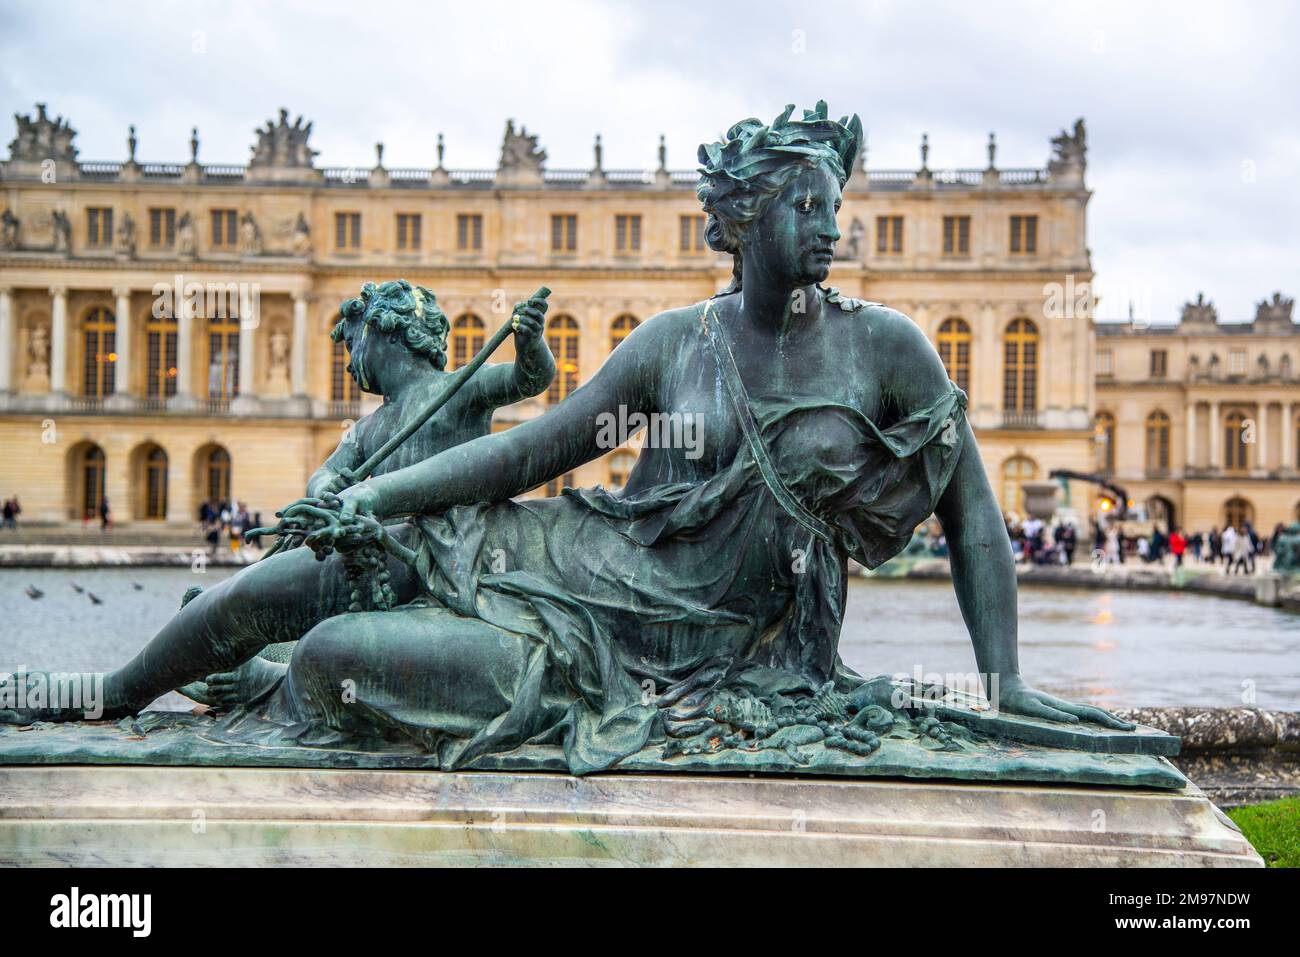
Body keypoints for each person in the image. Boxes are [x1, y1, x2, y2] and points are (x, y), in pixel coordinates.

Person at [3, 103, 1130, 770]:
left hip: (674, 651)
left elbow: (973, 514)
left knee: (333, 655)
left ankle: (253, 684)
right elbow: (522, 455)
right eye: (806, 201)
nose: (834, 223)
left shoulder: (886, 348)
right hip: (576, 562)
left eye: (840, 201)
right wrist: (378, 502)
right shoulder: (669, 343)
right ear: (741, 220)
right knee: (305, 575)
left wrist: (1002, 683)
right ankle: (100, 695)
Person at [182, 277, 555, 708]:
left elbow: (529, 380)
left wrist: (531, 343)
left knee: (326, 620)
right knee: (279, 580)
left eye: (353, 344)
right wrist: (327, 491)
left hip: (435, 561)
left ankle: (266, 677)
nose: (348, 363)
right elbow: (323, 475)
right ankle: (222, 636)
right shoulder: (367, 429)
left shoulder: (459, 389)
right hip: (374, 562)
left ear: (384, 334)